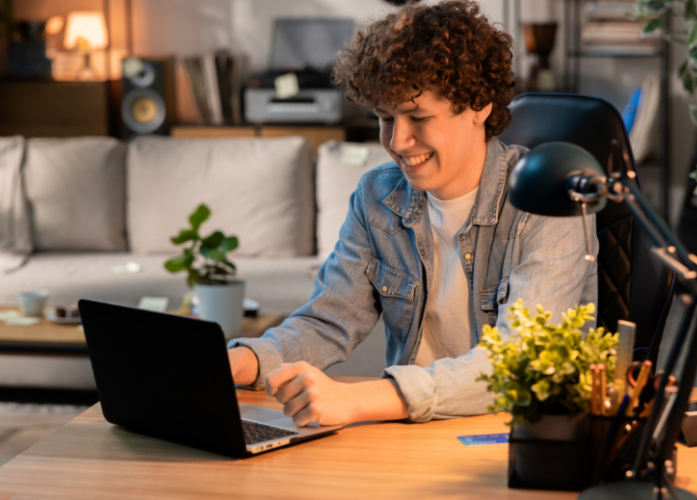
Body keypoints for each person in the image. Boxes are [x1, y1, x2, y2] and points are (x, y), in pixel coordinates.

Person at [226, 0, 598, 426]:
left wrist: (360, 400)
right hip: (409, 430)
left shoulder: (548, 200)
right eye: (385, 118)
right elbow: (330, 320)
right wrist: (239, 362)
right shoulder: (376, 196)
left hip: (517, 435)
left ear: (479, 105)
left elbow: (518, 362)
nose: (399, 141)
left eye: (418, 116)